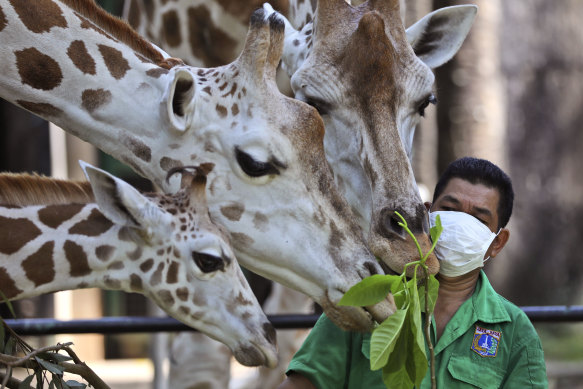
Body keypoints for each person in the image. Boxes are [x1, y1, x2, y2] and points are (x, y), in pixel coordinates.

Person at [277, 157, 548, 389]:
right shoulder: (370, 301)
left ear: (497, 243)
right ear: (426, 215)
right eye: (450, 210)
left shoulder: (515, 332)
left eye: (478, 219)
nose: (459, 224)